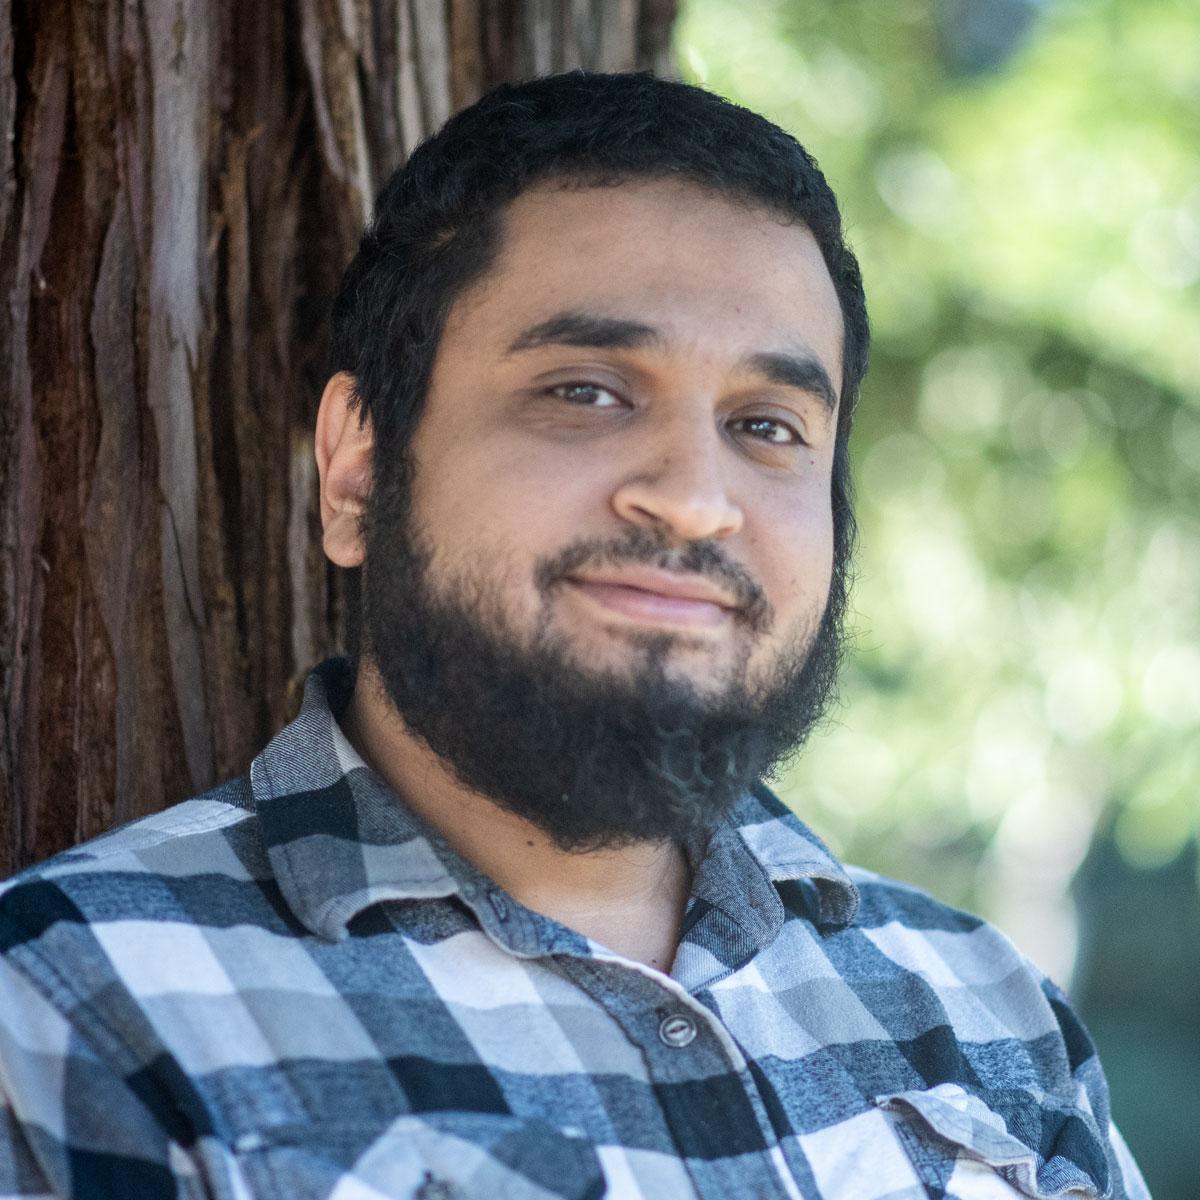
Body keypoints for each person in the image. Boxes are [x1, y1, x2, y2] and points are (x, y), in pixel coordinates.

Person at [0, 72, 1147, 1200]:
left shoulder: (991, 1014)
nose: (695, 499)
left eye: (767, 425)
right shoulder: (72, 1015)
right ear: (357, 469)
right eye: (587, 392)